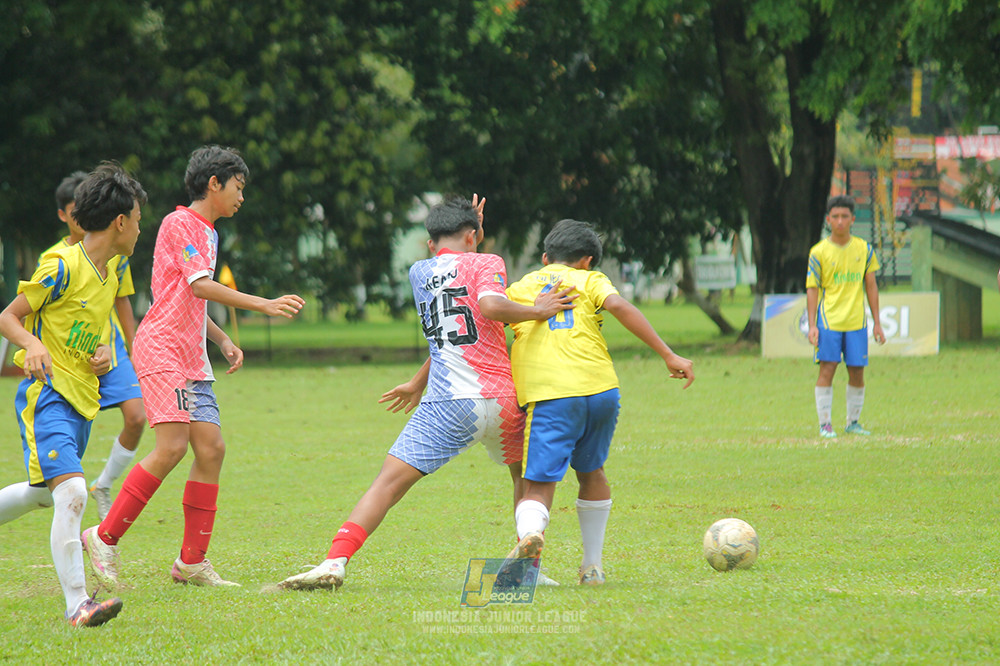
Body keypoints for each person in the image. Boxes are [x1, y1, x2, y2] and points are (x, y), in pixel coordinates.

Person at [276, 194, 575, 591]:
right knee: (525, 478)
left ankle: (335, 561)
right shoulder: (488, 261)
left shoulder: (420, 272)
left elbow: (454, 330)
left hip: (448, 403)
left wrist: (418, 383)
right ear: (474, 235)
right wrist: (537, 309)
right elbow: (487, 306)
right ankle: (523, 566)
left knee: (387, 484)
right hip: (502, 400)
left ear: (431, 243)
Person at [82, 145, 305, 588]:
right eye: (238, 188)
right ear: (214, 183)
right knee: (172, 447)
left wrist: (222, 341)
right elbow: (200, 286)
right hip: (163, 349)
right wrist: (263, 303)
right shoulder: (180, 222)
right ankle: (103, 537)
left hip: (192, 357)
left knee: (212, 449)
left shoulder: (209, 232)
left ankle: (191, 562)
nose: (242, 197)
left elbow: (187, 297)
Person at [501, 218, 694, 586]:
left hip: (552, 394)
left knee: (537, 486)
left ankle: (529, 546)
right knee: (592, 472)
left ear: (545, 257)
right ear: (588, 260)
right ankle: (592, 567)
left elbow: (492, 313)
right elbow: (620, 307)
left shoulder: (524, 286)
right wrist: (669, 355)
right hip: (602, 391)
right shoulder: (591, 280)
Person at [0, 163, 145, 626]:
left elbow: (90, 330)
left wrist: (103, 354)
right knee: (75, 492)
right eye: (138, 219)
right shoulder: (61, 265)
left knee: (46, 495)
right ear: (120, 222)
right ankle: (78, 604)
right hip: (48, 397)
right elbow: (9, 317)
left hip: (82, 399)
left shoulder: (109, 272)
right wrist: (33, 344)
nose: (141, 228)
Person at [46, 171, 148, 520]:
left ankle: (102, 483)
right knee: (49, 490)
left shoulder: (116, 257)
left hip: (108, 347)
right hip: (66, 362)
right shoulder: (58, 262)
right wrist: (32, 347)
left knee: (137, 417)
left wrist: (132, 347)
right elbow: (23, 316)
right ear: (64, 214)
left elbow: (119, 301)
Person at [806, 195, 885, 439]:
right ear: (828, 220)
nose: (840, 221)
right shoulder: (818, 252)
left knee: (857, 371)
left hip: (856, 323)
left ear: (852, 219)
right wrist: (812, 325)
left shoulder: (864, 249)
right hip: (829, 322)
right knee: (827, 369)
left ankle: (853, 422)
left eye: (845, 217)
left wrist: (877, 323)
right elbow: (812, 289)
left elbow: (871, 286)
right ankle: (825, 424)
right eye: (835, 217)